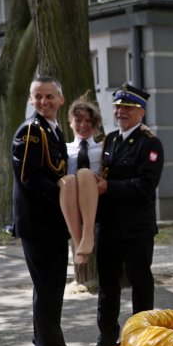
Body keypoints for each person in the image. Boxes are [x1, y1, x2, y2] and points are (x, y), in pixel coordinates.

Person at [85, 83, 164, 346]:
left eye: (127, 108)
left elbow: (145, 185)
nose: (120, 111)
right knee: (107, 285)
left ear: (140, 112)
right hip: (108, 226)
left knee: (140, 282)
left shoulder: (150, 142)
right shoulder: (110, 140)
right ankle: (106, 338)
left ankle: (142, 338)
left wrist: (110, 187)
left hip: (136, 228)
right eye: (118, 107)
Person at [11, 76, 80, 346]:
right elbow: (30, 177)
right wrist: (67, 197)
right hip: (38, 224)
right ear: (31, 100)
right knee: (48, 288)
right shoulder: (32, 131)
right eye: (38, 96)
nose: (44, 102)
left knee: (51, 289)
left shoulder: (52, 130)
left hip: (50, 223)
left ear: (61, 99)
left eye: (49, 96)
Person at [59, 96, 103, 265]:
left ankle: (88, 234)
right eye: (78, 120)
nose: (83, 125)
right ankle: (79, 243)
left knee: (85, 173)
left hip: (93, 197)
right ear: (70, 122)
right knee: (69, 179)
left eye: (88, 121)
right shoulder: (64, 148)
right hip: (69, 196)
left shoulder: (103, 148)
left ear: (95, 124)